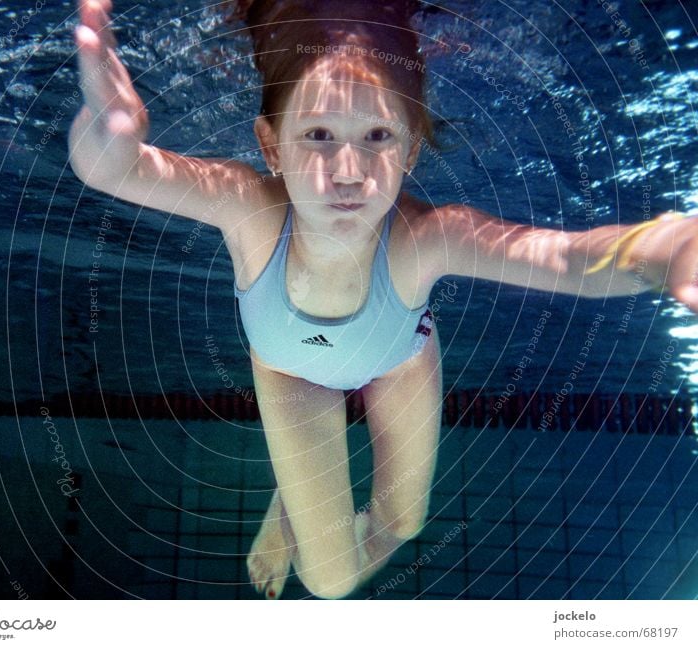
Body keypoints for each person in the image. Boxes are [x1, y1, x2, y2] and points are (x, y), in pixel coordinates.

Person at [68, 0, 698, 599]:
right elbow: (115, 171)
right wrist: (111, 138)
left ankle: (299, 493)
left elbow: (566, 256)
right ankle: (295, 494)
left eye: (376, 135)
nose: (348, 170)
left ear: (411, 146)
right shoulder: (247, 207)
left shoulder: (424, 239)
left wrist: (664, 248)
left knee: (403, 524)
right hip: (290, 375)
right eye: (317, 134)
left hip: (398, 362)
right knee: (331, 581)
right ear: (270, 145)